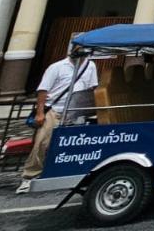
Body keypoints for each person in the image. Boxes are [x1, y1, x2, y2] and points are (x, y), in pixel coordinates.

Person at [16, 42, 98, 193]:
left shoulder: (90, 66)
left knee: (73, 144)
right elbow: (43, 90)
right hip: (55, 110)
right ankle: (29, 177)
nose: (81, 55)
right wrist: (40, 113)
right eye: (78, 51)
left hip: (76, 111)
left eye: (84, 53)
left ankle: (65, 172)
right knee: (42, 142)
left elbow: (92, 88)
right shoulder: (57, 67)